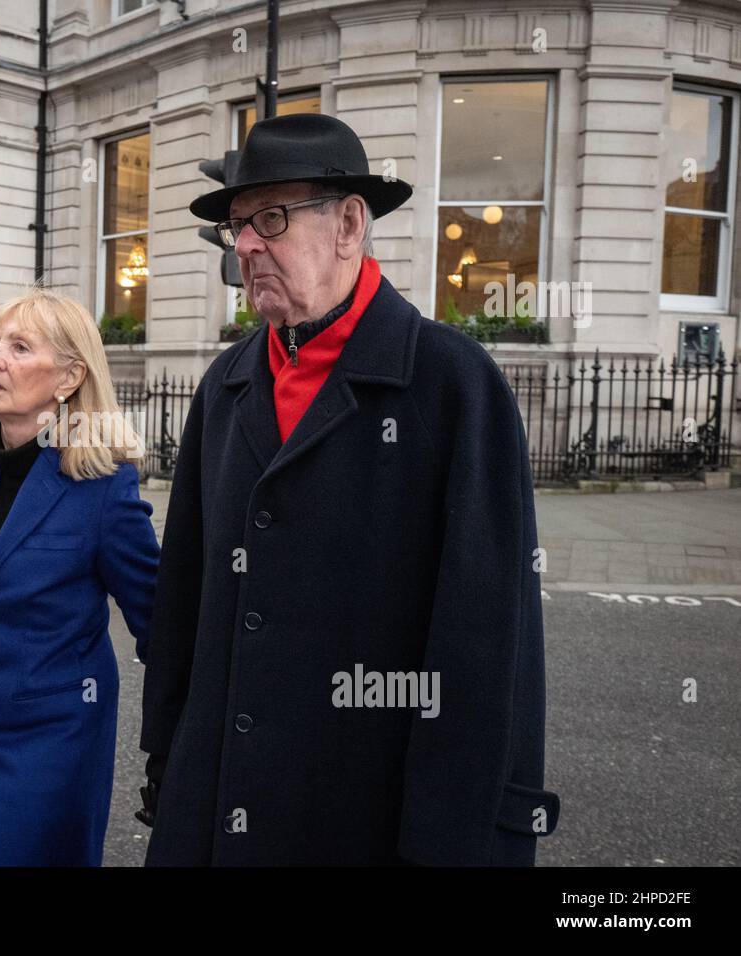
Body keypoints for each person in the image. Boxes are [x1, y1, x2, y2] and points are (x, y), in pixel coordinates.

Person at [138, 113, 559, 865]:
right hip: (216, 809)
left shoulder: (454, 386)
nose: (244, 245)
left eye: (270, 217)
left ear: (349, 223)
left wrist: (459, 842)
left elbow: (487, 652)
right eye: (237, 225)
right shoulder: (224, 386)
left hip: (365, 823)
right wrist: (168, 765)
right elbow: (185, 603)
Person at [0, 289, 160, 866]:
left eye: (19, 347)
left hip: (59, 727)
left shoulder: (103, 480)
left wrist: (171, 745)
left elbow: (158, 620)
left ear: (68, 376)